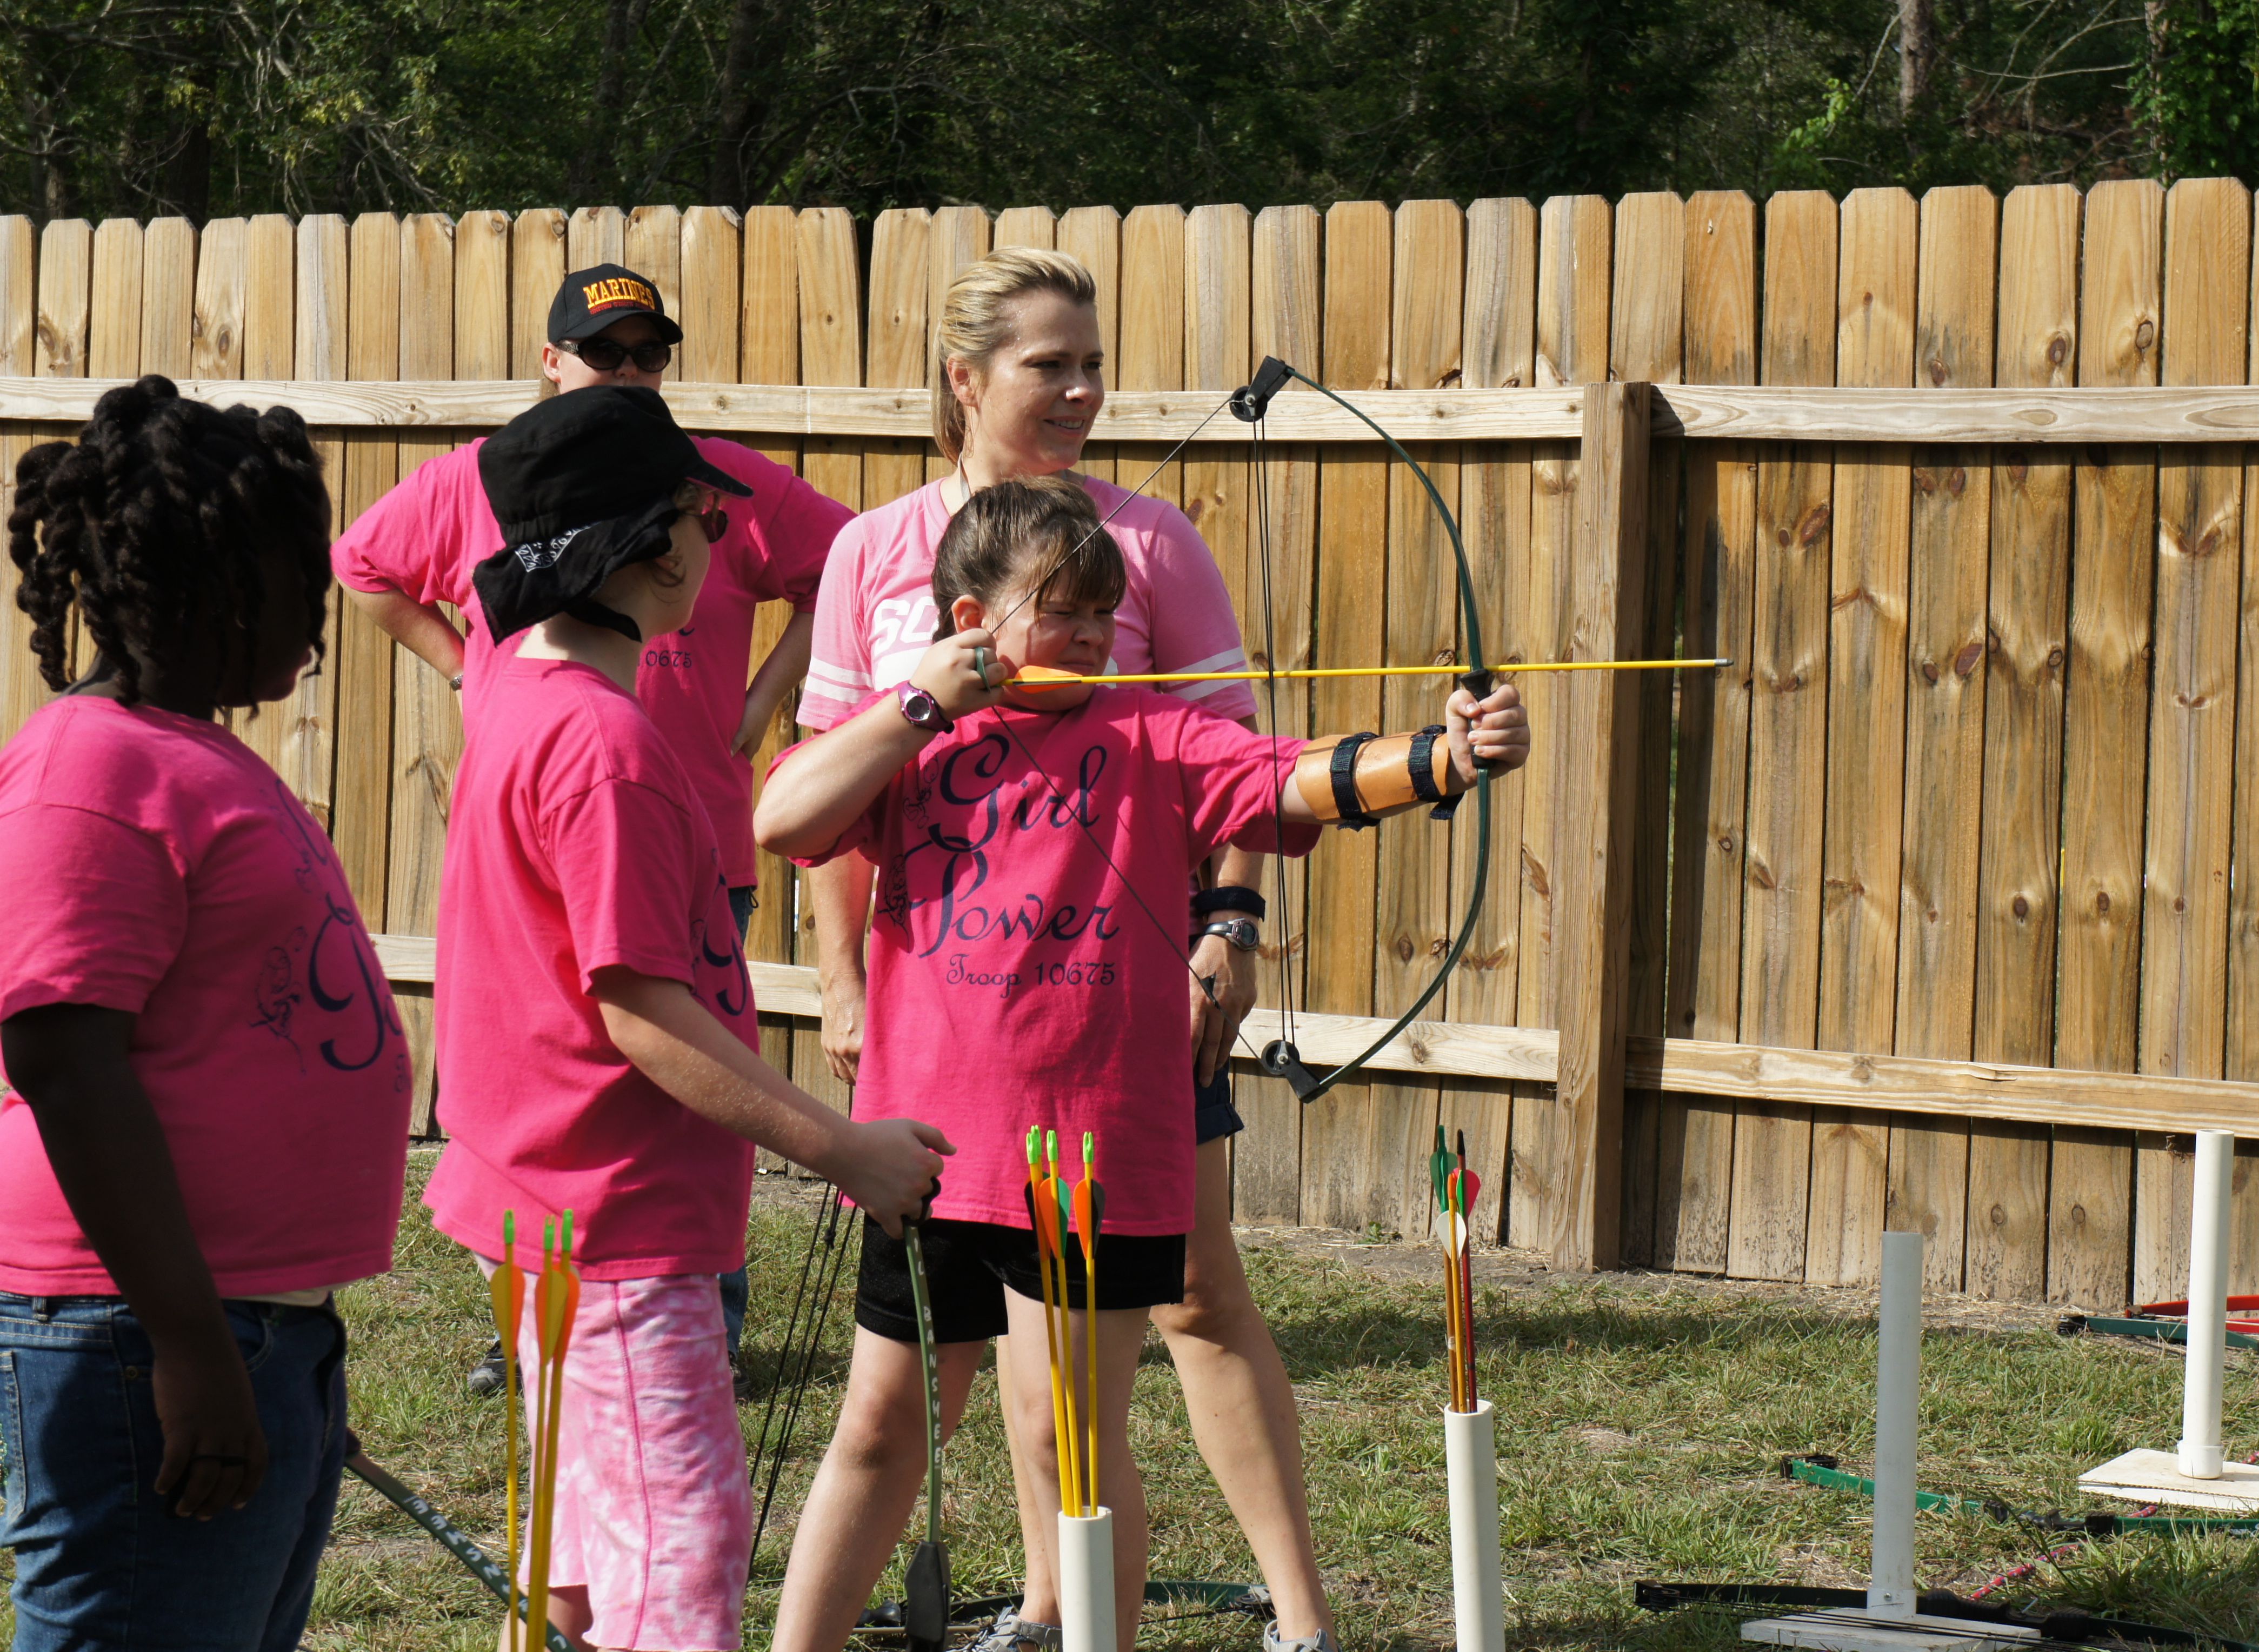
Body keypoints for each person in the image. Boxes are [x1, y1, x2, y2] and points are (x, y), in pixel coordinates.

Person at [761, 477, 1531, 1652]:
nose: (1090, 638)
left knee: (1068, 1439)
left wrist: (1440, 757)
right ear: (968, 619)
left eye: (1102, 616)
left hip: (1091, 1151)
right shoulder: (908, 739)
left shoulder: (1153, 734)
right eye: (1058, 612)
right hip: (923, 1147)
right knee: (878, 1427)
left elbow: (1291, 776)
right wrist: (916, 701)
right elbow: (784, 820)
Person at [794, 247, 1339, 1652]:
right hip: (945, 1019)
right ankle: (1054, 1609)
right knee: (956, 1363)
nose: (1083, 390)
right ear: (965, 378)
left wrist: (1230, 926)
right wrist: (843, 985)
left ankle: (1299, 1619)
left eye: (1094, 363)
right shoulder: (874, 551)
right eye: (1051, 365)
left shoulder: (1149, 544)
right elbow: (829, 795)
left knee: (1193, 1293)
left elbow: (1235, 762)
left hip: (1122, 1008)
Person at [421, 384, 948, 1651]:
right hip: (614, 1222)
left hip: (538, 1203)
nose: (719, 545)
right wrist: (843, 1145)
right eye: (709, 520)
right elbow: (643, 1012)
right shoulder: (606, 748)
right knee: (681, 1547)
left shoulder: (515, 695)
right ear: (659, 551)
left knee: (588, 1547)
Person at [334, 262, 847, 1390]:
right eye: (602, 352)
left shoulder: (696, 476)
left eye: (646, 354)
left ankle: (694, 1313)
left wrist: (766, 701)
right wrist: (462, 668)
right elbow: (362, 563)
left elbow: (845, 563)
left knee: (672, 1082)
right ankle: (556, 1317)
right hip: (549, 822)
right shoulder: (489, 482)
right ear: (550, 362)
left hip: (693, 830)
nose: (626, 370)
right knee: (570, 1069)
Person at [0, 377, 412, 1651]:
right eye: (297, 569)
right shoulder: (92, 767)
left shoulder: (196, 756)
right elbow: (64, 1059)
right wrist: (190, 1348)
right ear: (211, 576)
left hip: (245, 1327)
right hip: (137, 1328)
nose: (318, 603)